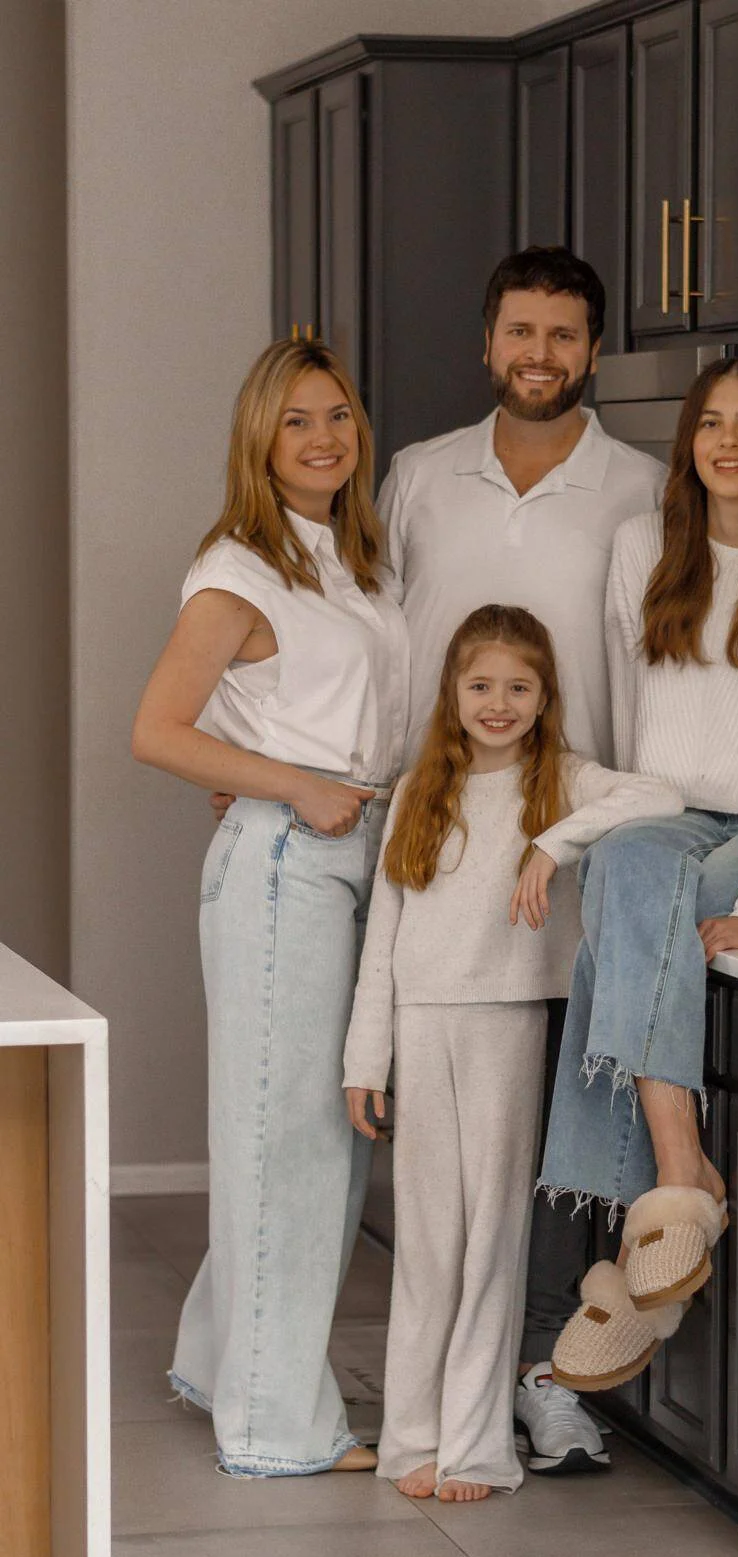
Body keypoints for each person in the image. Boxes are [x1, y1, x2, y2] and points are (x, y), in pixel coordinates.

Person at [378, 246, 666, 1471]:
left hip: (575, 853)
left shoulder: (645, 490)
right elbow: (385, 650)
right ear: (487, 343)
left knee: (556, 1148)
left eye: (563, 335)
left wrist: (590, 831)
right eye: (519, 332)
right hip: (430, 843)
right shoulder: (417, 478)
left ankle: (541, 1376)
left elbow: (656, 675)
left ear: (593, 351)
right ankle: (434, 1392)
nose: (538, 355)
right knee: (435, 1152)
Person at [539, 356, 738, 1391]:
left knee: (619, 926)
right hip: (667, 824)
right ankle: (679, 1184)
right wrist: (598, 814)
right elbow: (615, 709)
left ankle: (648, 1255)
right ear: (688, 443)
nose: (727, 442)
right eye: (710, 423)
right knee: (628, 878)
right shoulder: (643, 548)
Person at [132, 338, 410, 1475]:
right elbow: (157, 729)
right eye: (297, 421)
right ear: (260, 438)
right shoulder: (238, 570)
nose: (324, 439)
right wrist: (294, 784)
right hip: (290, 859)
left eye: (338, 416)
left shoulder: (350, 560)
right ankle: (273, 1425)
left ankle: (219, 1363)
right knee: (287, 1143)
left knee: (308, 1139)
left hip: (355, 855)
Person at [341, 606, 680, 1501]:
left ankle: (477, 1447)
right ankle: (412, 1440)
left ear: (544, 697)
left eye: (519, 687)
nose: (499, 703)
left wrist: (552, 839)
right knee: (426, 1246)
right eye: (481, 685)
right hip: (420, 1022)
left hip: (510, 1023)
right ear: (452, 692)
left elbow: (661, 796)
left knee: (493, 1240)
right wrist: (363, 1062)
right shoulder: (421, 787)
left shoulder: (559, 780)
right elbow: (384, 935)